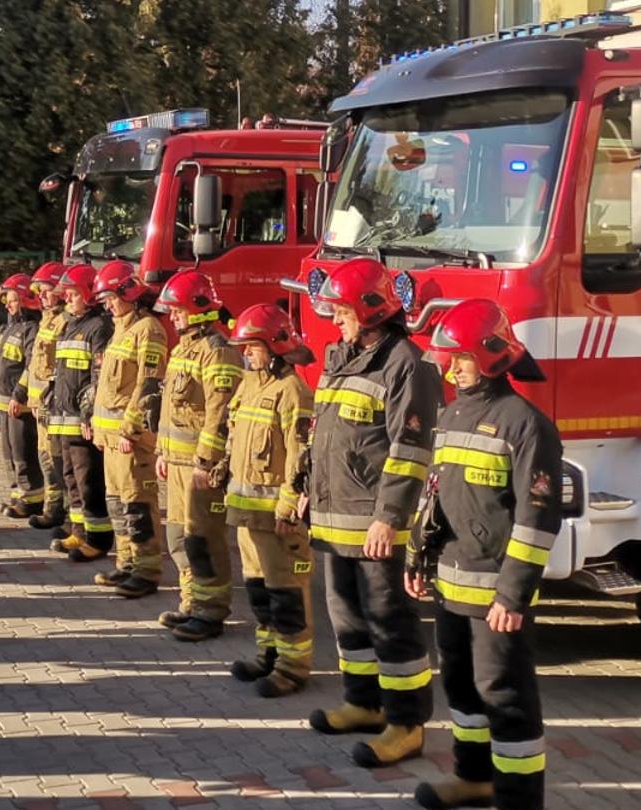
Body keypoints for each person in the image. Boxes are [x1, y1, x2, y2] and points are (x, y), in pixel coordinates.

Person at [409, 298, 560, 810]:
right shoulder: (452, 414)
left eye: (462, 359)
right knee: (462, 687)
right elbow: (436, 493)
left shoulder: (525, 425)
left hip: (495, 593)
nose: (452, 369)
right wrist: (419, 556)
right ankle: (473, 778)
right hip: (451, 584)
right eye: (449, 360)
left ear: (493, 356)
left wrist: (513, 595)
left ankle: (519, 798)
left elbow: (537, 521)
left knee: (505, 696)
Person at [302, 260, 438, 769]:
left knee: (390, 622)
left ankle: (406, 725)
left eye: (342, 311)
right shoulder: (340, 356)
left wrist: (390, 516)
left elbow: (411, 448)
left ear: (370, 311)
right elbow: (324, 432)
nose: (334, 320)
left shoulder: (406, 363)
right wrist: (304, 488)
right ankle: (362, 703)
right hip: (335, 516)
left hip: (374, 524)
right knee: (347, 617)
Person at [220, 304, 317, 697]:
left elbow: (299, 455)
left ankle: (293, 667)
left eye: (253, 347)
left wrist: (289, 507)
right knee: (258, 589)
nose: (246, 353)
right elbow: (234, 434)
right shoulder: (249, 383)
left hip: (276, 518)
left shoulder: (292, 391)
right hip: (246, 514)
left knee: (286, 591)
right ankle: (269, 653)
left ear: (275, 346)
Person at [151, 270, 241, 640]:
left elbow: (220, 414)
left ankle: (210, 610)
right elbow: (170, 410)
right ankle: (191, 602)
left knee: (203, 539)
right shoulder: (183, 347)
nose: (172, 317)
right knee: (177, 537)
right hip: (175, 463)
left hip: (199, 468)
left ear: (200, 309)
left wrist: (206, 463)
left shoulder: (218, 351)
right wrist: (161, 451)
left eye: (178, 310)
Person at [91, 260, 168, 598]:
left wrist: (130, 430)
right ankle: (126, 564)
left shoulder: (148, 329)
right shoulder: (120, 329)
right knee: (116, 502)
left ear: (129, 293)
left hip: (131, 440)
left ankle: (147, 570)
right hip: (110, 440)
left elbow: (148, 384)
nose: (107, 304)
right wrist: (98, 429)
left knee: (138, 503)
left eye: (111, 297)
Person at [41, 263, 115, 562]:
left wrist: (88, 415)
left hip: (79, 419)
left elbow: (97, 378)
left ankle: (98, 540)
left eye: (73, 294)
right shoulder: (71, 324)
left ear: (88, 294)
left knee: (88, 479)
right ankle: (79, 531)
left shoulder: (99, 327)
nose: (68, 299)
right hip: (61, 416)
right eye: (67, 294)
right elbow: (60, 372)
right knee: (69, 476)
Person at [0, 272, 46, 518]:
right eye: (7, 299)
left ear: (27, 300)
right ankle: (17, 495)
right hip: (3, 402)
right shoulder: (7, 327)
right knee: (9, 453)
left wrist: (20, 394)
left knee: (23, 453)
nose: (8, 304)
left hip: (19, 404)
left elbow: (32, 366)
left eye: (13, 299)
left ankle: (33, 499)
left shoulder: (31, 329)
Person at [20, 262, 70, 537]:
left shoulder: (64, 322)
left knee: (57, 458)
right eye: (39, 291)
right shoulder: (46, 320)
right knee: (45, 456)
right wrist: (23, 391)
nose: (41, 295)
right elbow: (35, 364)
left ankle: (60, 510)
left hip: (53, 404)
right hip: (39, 404)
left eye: (47, 290)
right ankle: (52, 508)